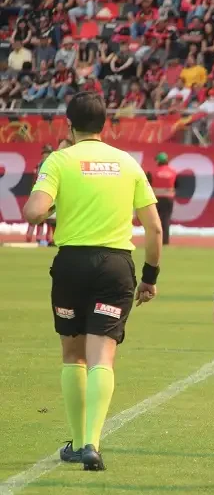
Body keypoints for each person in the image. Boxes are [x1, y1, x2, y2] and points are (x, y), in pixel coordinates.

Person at [22, 91, 162, 471]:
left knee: (73, 356)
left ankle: (78, 439)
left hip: (71, 264)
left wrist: (53, 202)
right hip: (115, 264)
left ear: (68, 124)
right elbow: (154, 227)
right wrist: (149, 276)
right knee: (104, 356)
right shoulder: (127, 163)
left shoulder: (60, 160)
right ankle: (93, 445)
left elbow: (33, 212)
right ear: (106, 125)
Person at [27, 145, 56, 246]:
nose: (45, 155)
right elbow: (34, 180)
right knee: (35, 216)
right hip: (39, 193)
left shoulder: (53, 165)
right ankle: (30, 237)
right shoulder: (39, 165)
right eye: (44, 153)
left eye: (47, 153)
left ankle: (49, 239)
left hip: (50, 194)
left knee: (50, 219)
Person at [146, 152, 178, 245]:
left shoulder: (152, 172)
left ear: (158, 161)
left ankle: (155, 240)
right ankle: (165, 241)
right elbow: (177, 185)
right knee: (166, 219)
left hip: (155, 199)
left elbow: (147, 184)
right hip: (168, 199)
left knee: (155, 220)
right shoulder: (173, 172)